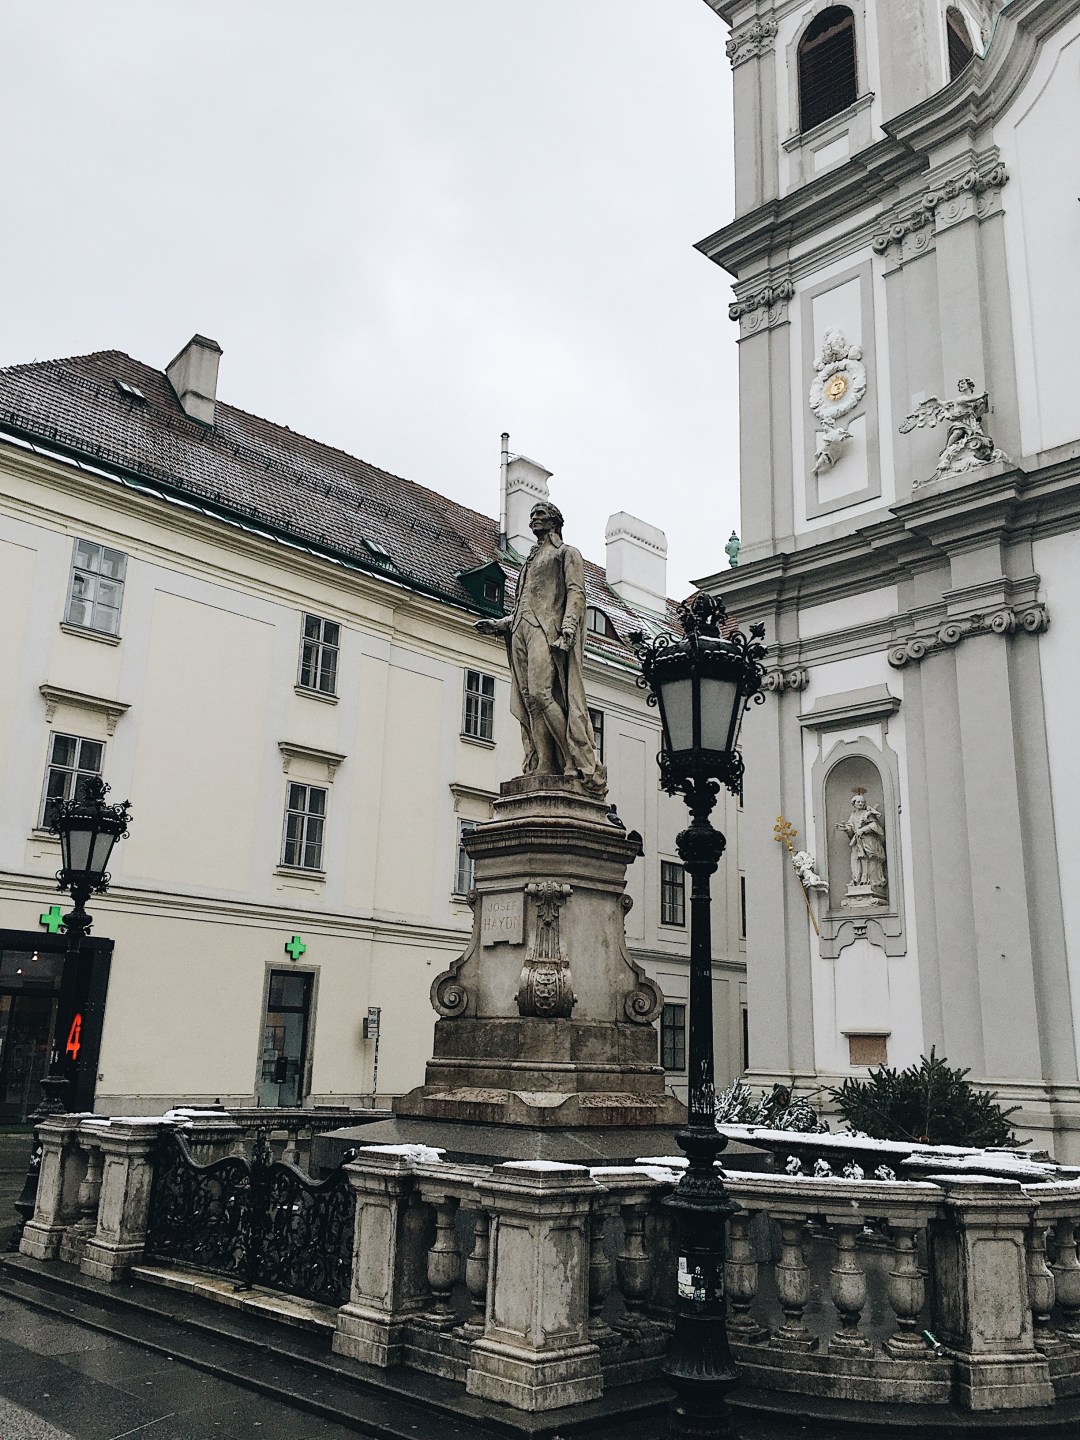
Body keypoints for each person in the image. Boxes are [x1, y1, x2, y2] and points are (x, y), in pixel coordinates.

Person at [477, 502, 605, 793]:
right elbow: (524, 602)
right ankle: (545, 763)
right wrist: (500, 625)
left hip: (546, 631)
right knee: (530, 699)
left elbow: (576, 593)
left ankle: (571, 759)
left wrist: (568, 630)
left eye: (541, 515)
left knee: (541, 693)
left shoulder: (565, 553)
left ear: (555, 522)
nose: (534, 518)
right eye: (532, 514)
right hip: (521, 629)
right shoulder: (529, 559)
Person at [838, 789, 887, 891]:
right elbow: (851, 828)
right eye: (858, 802)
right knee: (856, 861)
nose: (860, 803)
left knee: (869, 862)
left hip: (868, 842)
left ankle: (870, 882)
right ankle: (858, 881)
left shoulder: (868, 813)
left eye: (862, 802)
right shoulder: (853, 815)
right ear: (854, 803)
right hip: (857, 843)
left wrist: (863, 829)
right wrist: (846, 829)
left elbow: (875, 826)